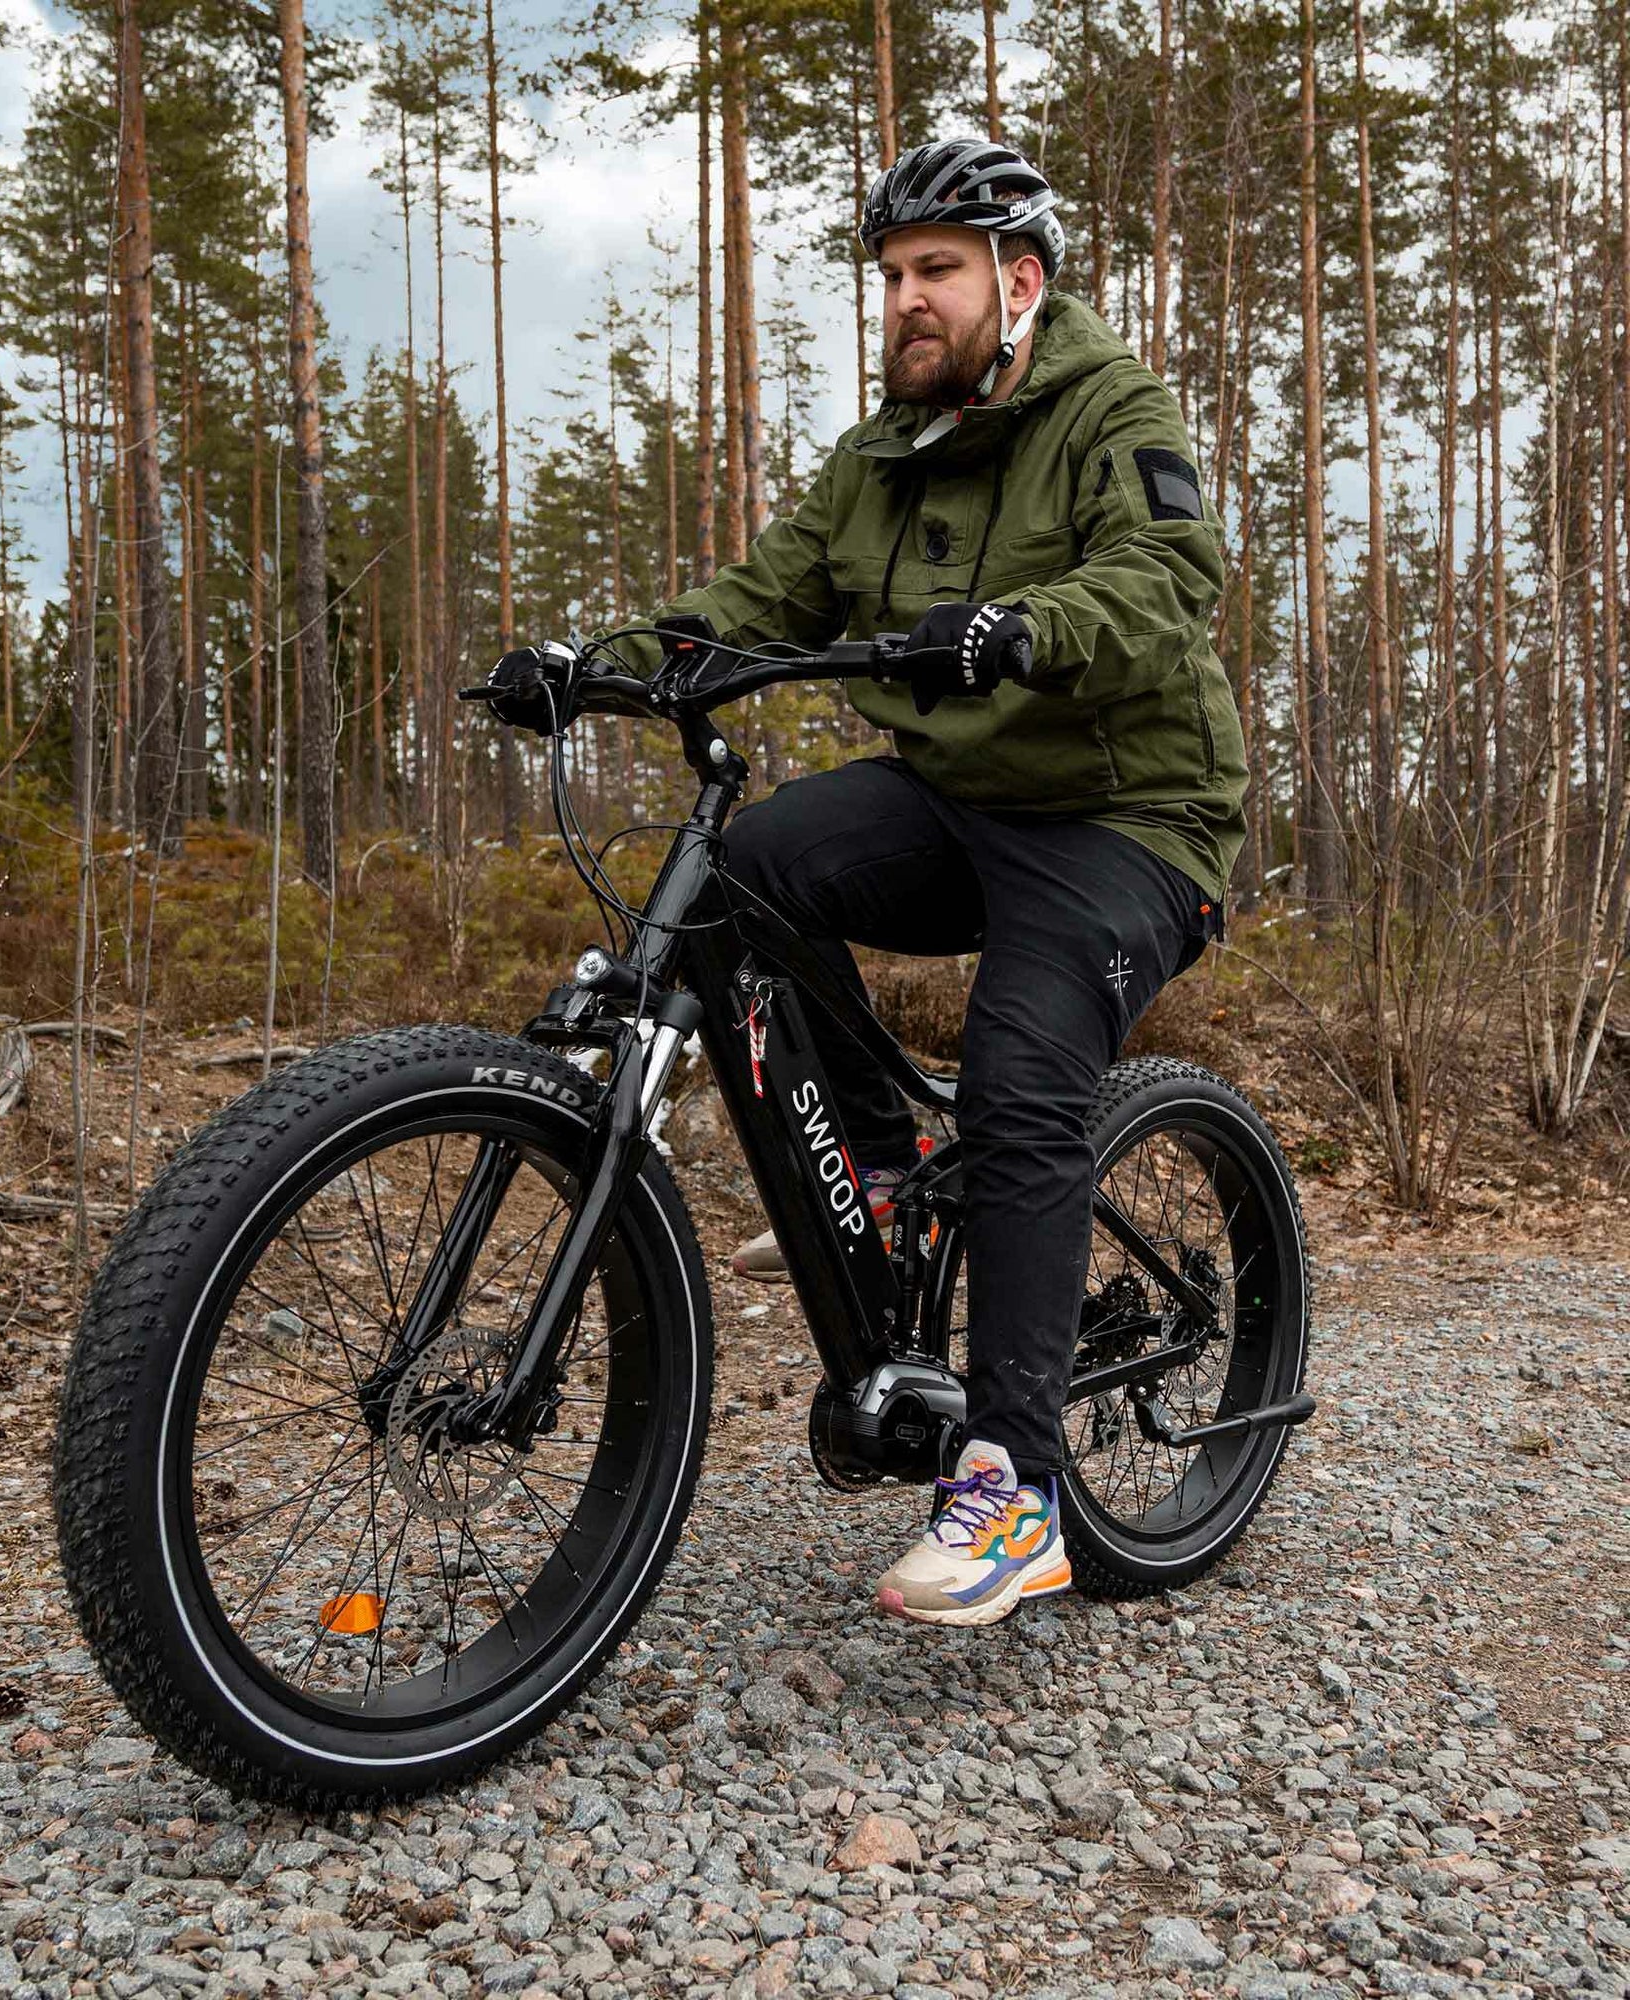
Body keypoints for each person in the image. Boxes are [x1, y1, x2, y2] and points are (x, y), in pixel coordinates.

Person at [485, 138, 1247, 1628]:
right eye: (890, 275)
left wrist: (1025, 625)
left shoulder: (1112, 411)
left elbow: (1165, 582)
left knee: (1029, 1082)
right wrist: (601, 666)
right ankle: (887, 1169)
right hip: (960, 795)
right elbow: (757, 609)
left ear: (1017, 285)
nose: (903, 301)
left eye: (936, 271)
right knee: (740, 875)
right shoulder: (876, 460)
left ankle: (1016, 1490)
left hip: (1130, 818)